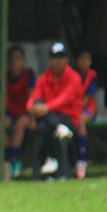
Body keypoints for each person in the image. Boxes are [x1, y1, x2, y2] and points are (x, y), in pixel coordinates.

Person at [26, 42, 84, 179]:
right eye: (55, 58)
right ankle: (58, 129)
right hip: (50, 118)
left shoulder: (74, 77)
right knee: (40, 112)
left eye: (61, 57)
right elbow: (33, 98)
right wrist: (32, 108)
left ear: (67, 60)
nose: (58, 61)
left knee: (43, 124)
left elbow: (65, 98)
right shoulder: (44, 77)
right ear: (49, 60)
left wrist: (45, 108)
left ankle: (53, 160)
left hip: (68, 118)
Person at [0, 44, 37, 178]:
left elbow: (32, 97)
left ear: (23, 61)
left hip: (24, 112)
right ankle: (9, 159)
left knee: (20, 124)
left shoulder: (29, 75)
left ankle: (14, 160)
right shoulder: (4, 77)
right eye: (11, 59)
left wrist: (33, 118)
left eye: (18, 58)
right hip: (10, 112)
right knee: (0, 124)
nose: (14, 62)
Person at [73, 47, 99, 179]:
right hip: (72, 108)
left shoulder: (91, 76)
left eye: (88, 59)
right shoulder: (71, 75)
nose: (85, 62)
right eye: (82, 59)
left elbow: (86, 100)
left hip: (88, 110)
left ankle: (82, 160)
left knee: (80, 120)